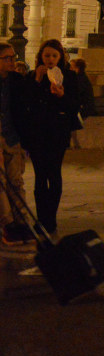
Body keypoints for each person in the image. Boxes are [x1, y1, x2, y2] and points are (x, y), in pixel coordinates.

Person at [23, 39, 79, 235]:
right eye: (47, 55)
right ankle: (41, 219)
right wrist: (37, 81)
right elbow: (27, 103)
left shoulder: (69, 77)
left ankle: (51, 219)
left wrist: (62, 96)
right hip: (37, 133)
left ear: (60, 57)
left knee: (54, 173)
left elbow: (73, 106)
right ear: (41, 57)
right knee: (40, 177)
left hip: (57, 132)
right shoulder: (33, 75)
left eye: (54, 55)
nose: (50, 59)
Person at [0, 42, 34, 245]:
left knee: (16, 182)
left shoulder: (17, 81)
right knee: (1, 184)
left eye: (13, 57)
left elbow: (24, 110)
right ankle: (8, 225)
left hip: (13, 136)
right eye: (7, 58)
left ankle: (23, 222)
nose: (13, 61)